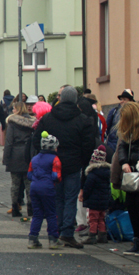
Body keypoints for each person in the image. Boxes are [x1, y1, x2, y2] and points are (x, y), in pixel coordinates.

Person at [33, 86, 95, 249]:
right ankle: (67, 233)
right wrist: (82, 161)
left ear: (60, 99)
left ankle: (56, 231)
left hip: (52, 164)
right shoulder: (82, 119)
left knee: (57, 198)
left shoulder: (48, 118)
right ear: (75, 100)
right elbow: (89, 144)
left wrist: (45, 156)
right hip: (74, 164)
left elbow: (36, 139)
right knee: (70, 199)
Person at [114, 102, 139, 255]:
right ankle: (137, 238)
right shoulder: (129, 132)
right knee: (131, 205)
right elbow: (122, 146)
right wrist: (124, 162)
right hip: (131, 172)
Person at [27, 132, 62, 249]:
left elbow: (29, 175)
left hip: (34, 188)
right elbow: (56, 176)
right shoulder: (55, 159)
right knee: (51, 214)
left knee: (37, 214)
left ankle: (32, 239)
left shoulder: (35, 158)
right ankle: (53, 240)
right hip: (47, 188)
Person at [3, 101, 35, 218]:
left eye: (14, 109)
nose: (12, 111)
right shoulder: (32, 122)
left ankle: (15, 208)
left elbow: (9, 142)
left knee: (15, 183)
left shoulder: (12, 123)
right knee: (29, 183)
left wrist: (6, 158)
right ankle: (31, 208)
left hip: (15, 154)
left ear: (18, 109)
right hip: (28, 154)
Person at [81, 145, 111, 244]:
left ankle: (92, 236)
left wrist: (85, 196)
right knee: (101, 218)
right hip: (103, 201)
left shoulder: (92, 174)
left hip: (94, 201)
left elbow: (88, 187)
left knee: (93, 219)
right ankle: (102, 235)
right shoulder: (107, 173)